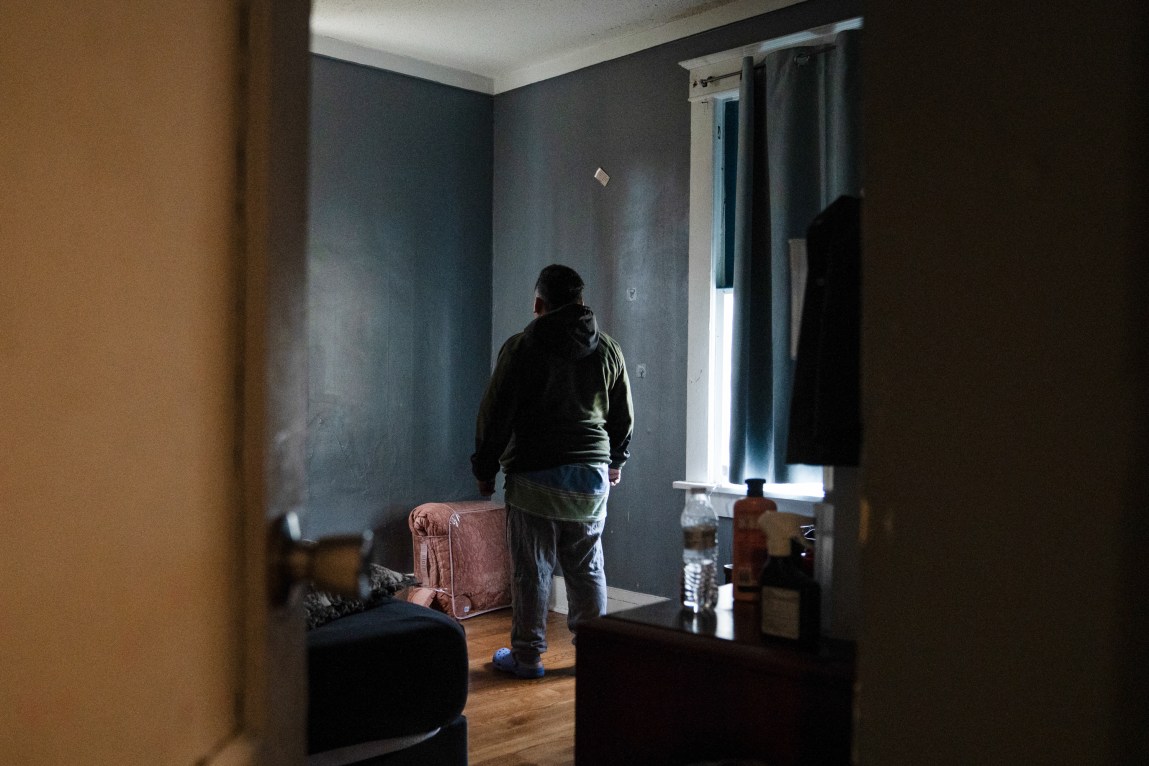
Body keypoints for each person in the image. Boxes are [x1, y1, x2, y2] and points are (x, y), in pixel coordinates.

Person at [471, 264, 634, 679]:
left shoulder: (521, 348)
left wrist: (485, 469)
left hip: (533, 478)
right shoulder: (609, 350)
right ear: (581, 303)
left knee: (532, 569)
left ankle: (527, 658)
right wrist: (614, 461)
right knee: (588, 567)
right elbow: (623, 418)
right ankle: (594, 655)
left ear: (538, 304)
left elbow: (496, 415)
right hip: (590, 479)